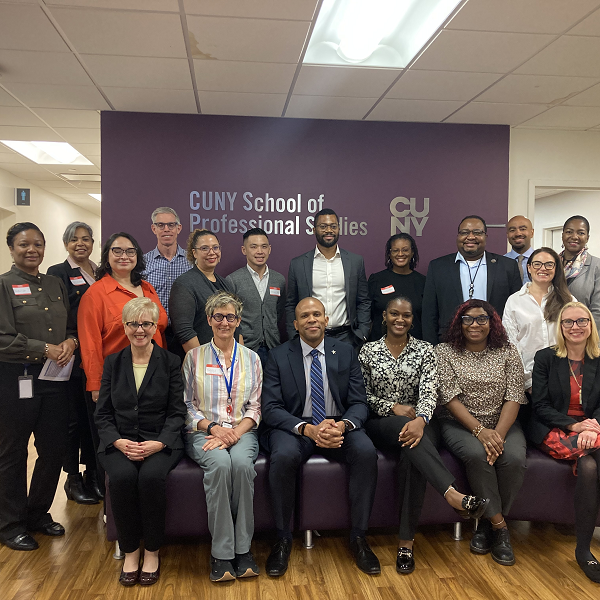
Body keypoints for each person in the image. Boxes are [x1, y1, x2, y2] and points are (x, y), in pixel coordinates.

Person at [359, 296, 488, 574]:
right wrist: (392, 407)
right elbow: (363, 396)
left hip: (423, 422)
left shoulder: (425, 350)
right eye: (394, 314)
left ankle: (406, 543)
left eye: (405, 315)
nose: (400, 319)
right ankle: (451, 494)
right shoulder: (367, 351)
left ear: (412, 320)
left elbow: (430, 391)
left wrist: (421, 419)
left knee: (412, 454)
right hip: (382, 423)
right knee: (403, 430)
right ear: (385, 316)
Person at [261, 297, 380, 577]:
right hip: (296, 425)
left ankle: (359, 537)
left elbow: (359, 402)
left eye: (317, 314)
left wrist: (344, 426)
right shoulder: (278, 355)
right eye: (305, 316)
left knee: (365, 451)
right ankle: (282, 539)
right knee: (283, 455)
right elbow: (271, 408)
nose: (311, 319)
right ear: (295, 324)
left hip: (337, 424)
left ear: (327, 320)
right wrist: (308, 429)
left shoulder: (346, 351)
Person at [95, 298, 186, 587]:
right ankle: (130, 552)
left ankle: (152, 552)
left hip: (159, 441)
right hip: (120, 441)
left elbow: (177, 412)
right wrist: (118, 442)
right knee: (120, 478)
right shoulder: (113, 362)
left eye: (146, 323)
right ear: (124, 327)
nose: (140, 329)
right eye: (134, 323)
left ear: (155, 326)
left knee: (150, 477)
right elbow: (103, 413)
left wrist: (159, 444)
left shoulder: (171, 362)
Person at [0, 223, 77, 551]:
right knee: (13, 452)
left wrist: (71, 342)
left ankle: (37, 513)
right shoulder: (3, 285)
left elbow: (70, 325)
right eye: (23, 245)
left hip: (54, 379)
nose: (31, 250)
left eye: (38, 244)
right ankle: (10, 523)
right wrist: (44, 348)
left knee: (53, 448)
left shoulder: (54, 283)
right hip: (17, 379)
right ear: (11, 249)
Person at [435, 299, 527, 567]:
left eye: (481, 319)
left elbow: (514, 395)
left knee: (512, 459)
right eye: (468, 319)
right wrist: (479, 431)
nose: (475, 324)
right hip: (458, 424)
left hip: (502, 423)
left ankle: (485, 526)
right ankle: (500, 527)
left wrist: (496, 434)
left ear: (492, 322)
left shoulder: (508, 351)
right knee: (477, 455)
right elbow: (449, 398)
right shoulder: (444, 352)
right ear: (459, 322)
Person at [183, 291, 261, 582]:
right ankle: (222, 553)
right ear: (209, 320)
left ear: (238, 321)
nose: (224, 322)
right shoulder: (194, 357)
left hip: (242, 431)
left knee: (241, 466)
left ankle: (244, 550)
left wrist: (234, 433)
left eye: (230, 317)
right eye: (218, 317)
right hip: (205, 432)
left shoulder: (252, 359)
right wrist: (214, 429)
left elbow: (256, 406)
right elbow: (186, 405)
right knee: (219, 466)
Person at [530, 301, 600, 584]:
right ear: (560, 327)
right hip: (555, 427)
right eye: (568, 322)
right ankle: (583, 549)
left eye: (582, 321)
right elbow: (541, 405)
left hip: (593, 428)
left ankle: (583, 546)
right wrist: (574, 425)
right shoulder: (546, 358)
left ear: (590, 325)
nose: (575, 327)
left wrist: (593, 427)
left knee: (590, 464)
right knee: (589, 466)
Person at [78, 232, 167, 403]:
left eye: (130, 251)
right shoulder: (95, 294)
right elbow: (90, 343)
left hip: (153, 374)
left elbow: (160, 329)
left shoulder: (147, 289)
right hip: (117, 378)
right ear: (107, 256)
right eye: (117, 251)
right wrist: (96, 384)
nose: (124, 256)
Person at [47, 221, 99, 504]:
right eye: (75, 239)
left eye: (86, 239)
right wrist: (73, 340)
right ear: (66, 243)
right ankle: (73, 479)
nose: (81, 243)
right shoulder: (59, 272)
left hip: (97, 354)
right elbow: (60, 314)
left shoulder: (99, 271)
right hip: (72, 355)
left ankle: (94, 474)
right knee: (73, 420)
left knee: (94, 419)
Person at [422, 214, 522, 345]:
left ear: (485, 236)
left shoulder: (507, 266)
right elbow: (429, 314)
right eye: (464, 232)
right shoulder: (438, 267)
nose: (470, 237)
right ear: (458, 236)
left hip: (495, 344)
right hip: (450, 345)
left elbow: (517, 311)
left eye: (477, 232)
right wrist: (432, 349)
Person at [285, 208, 370, 348]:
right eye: (323, 226)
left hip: (347, 338)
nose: (328, 230)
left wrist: (363, 333)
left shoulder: (355, 262)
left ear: (339, 229)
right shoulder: (298, 264)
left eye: (333, 226)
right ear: (314, 230)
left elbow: (363, 300)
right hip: (310, 337)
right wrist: (294, 335)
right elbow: (291, 304)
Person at [503, 247, 573, 392]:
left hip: (563, 377)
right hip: (526, 381)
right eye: (537, 264)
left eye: (549, 264)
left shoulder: (567, 300)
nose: (543, 268)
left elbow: (576, 336)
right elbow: (511, 344)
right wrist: (526, 380)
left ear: (555, 268)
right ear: (529, 268)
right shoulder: (514, 301)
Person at [170, 229, 239, 353]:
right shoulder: (184, 284)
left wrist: (239, 358)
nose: (211, 253)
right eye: (204, 248)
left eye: (215, 247)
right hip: (201, 363)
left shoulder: (226, 284)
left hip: (227, 362)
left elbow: (237, 326)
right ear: (194, 253)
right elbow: (184, 331)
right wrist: (204, 360)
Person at [226, 228, 286, 367]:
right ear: (244, 250)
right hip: (245, 348)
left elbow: (278, 311)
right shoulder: (233, 280)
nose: (260, 251)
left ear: (269, 249)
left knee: (272, 388)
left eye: (264, 246)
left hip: (274, 348)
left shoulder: (279, 280)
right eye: (253, 247)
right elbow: (230, 316)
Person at [143, 207, 191, 352]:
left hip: (186, 334)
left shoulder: (192, 261)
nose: (166, 229)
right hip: (154, 333)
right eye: (160, 225)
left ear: (179, 228)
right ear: (153, 229)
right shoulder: (143, 263)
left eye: (171, 225)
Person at [367, 233, 426, 341]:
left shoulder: (423, 282)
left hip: (415, 347)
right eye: (395, 250)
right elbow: (366, 315)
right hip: (379, 347)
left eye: (405, 250)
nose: (400, 254)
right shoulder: (376, 280)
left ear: (412, 252)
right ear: (389, 254)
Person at [560, 215, 600, 330]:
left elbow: (598, 311)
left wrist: (585, 337)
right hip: (553, 336)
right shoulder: (552, 264)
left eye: (581, 233)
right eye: (569, 232)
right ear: (562, 235)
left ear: (587, 237)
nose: (574, 236)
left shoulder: (596, 266)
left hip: (583, 335)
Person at [505, 215, 535, 285]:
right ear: (507, 235)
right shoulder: (500, 263)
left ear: (532, 233)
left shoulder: (541, 261)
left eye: (523, 229)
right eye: (512, 230)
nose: (518, 233)